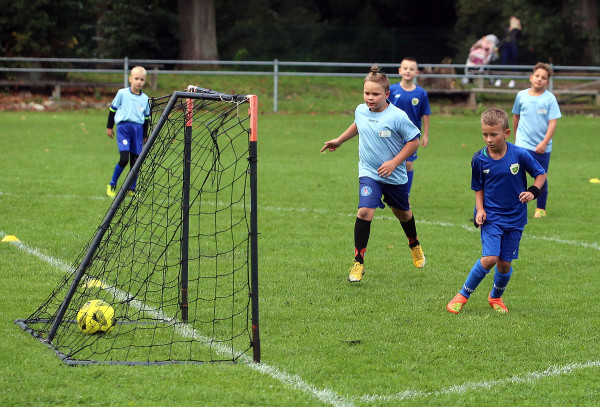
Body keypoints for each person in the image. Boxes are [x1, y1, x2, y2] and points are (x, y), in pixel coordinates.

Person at [320, 65, 426, 282]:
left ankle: (414, 243)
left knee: (403, 214)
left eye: (375, 94)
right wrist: (339, 140)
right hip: (369, 172)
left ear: (387, 94)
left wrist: (394, 162)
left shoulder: (397, 116)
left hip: (394, 176)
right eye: (367, 93)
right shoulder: (360, 110)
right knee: (364, 212)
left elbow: (414, 141)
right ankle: (358, 262)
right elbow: (358, 124)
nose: (370, 98)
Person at [446, 108, 546, 314]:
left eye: (494, 134)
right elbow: (478, 187)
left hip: (516, 218)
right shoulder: (479, 159)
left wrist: (533, 192)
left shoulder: (519, 154)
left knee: (504, 264)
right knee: (491, 258)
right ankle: (462, 295)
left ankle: (495, 297)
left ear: (506, 133)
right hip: (491, 216)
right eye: (485, 134)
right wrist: (479, 209)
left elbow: (540, 174)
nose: (489, 139)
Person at [512, 62, 561, 218]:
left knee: (541, 176)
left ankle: (540, 208)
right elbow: (516, 117)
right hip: (522, 144)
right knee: (516, 175)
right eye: (537, 76)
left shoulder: (550, 99)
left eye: (543, 77)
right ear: (531, 77)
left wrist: (544, 143)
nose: (540, 79)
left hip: (541, 147)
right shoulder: (521, 96)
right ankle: (515, 205)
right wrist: (517, 139)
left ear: (547, 82)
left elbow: (553, 122)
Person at [388, 57, 431, 198]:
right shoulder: (392, 90)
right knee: (388, 163)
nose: (408, 71)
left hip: (411, 136)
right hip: (393, 134)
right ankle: (386, 193)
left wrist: (425, 135)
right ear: (400, 71)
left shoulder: (421, 93)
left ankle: (405, 196)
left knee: (408, 164)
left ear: (416, 73)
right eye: (405, 68)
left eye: (411, 69)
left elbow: (425, 114)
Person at [106, 66, 150, 197]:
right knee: (124, 159)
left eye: (142, 79)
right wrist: (109, 127)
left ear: (145, 81)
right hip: (124, 129)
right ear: (130, 79)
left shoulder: (145, 99)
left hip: (137, 130)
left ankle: (132, 189)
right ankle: (112, 184)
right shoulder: (122, 93)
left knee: (135, 162)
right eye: (136, 78)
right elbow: (112, 110)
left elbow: (146, 119)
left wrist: (145, 135)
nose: (139, 82)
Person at [496, 16, 521, 88]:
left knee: (513, 63)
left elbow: (519, 36)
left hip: (513, 46)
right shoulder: (506, 29)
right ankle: (499, 79)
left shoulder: (517, 30)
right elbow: (504, 39)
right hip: (506, 47)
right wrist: (499, 47)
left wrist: (519, 26)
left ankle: (513, 80)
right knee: (503, 62)